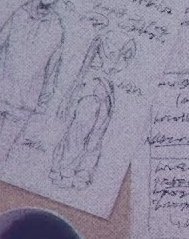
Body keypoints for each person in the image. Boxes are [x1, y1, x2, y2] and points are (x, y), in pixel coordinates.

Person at [0, 0, 68, 166]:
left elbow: (53, 68)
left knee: (0, 155)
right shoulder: (19, 15)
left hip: (24, 102)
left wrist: (44, 100)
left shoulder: (56, 28)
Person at [49, 31, 136, 189]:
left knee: (95, 138)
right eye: (119, 56)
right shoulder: (99, 49)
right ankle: (64, 169)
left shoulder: (110, 73)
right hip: (90, 94)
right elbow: (82, 72)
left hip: (105, 96)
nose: (122, 61)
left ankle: (83, 172)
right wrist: (68, 98)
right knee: (77, 135)